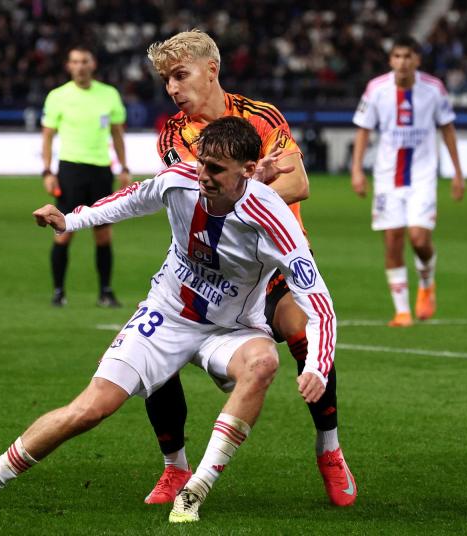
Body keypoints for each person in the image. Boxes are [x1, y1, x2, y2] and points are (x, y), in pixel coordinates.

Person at [0, 116, 338, 523]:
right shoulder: (180, 180)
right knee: (90, 409)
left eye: (216, 169)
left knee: (264, 361)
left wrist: (317, 366)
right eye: (202, 162)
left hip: (231, 330)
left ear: (248, 170)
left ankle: (195, 490)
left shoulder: (273, 220)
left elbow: (319, 304)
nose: (203, 174)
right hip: (165, 315)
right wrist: (70, 219)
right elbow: (131, 199)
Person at [140, 29, 356, 507]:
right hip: (214, 272)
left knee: (304, 331)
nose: (172, 88)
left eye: (180, 75)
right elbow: (204, 198)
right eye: (166, 80)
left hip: (274, 264)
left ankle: (329, 450)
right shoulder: (174, 136)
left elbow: (297, 183)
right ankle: (175, 467)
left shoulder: (261, 117)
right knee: (153, 351)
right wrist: (251, 192)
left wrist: (241, 200)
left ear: (211, 70)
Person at [351, 35, 465, 327]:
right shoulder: (376, 89)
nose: (402, 62)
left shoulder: (434, 89)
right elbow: (363, 130)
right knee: (392, 240)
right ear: (391, 60)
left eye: (408, 56)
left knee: (419, 239)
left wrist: (457, 173)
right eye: (397, 56)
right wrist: (357, 170)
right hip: (387, 177)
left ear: (417, 59)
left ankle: (427, 282)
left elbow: (447, 129)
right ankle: (402, 311)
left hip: (423, 176)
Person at [41, 45, 130, 308]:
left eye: (84, 61)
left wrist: (124, 167)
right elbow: (47, 137)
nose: (80, 66)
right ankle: (59, 292)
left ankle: (105, 291)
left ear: (93, 64)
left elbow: (117, 134)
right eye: (75, 61)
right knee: (63, 232)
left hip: (101, 170)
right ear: (69, 66)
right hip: (70, 170)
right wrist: (47, 170)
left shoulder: (109, 94)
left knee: (103, 234)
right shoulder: (57, 96)